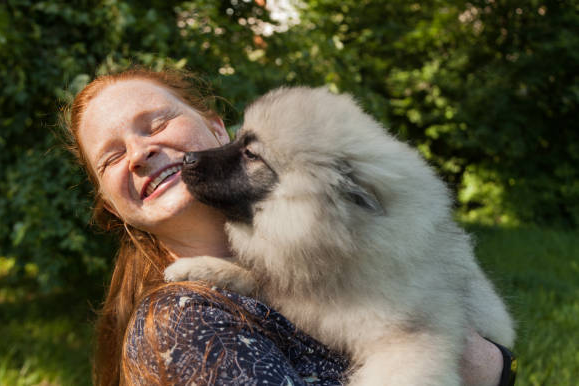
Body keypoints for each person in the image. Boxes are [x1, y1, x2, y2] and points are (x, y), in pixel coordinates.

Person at [65, 68, 515, 385]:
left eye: (158, 122)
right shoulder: (187, 324)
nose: (140, 152)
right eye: (111, 157)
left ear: (219, 129)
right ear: (110, 203)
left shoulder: (310, 257)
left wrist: (490, 360)